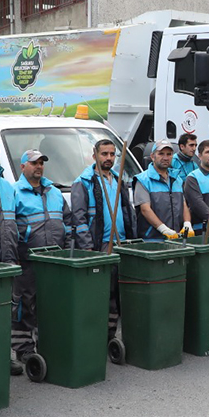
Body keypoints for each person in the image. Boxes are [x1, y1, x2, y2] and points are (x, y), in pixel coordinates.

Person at [11, 149, 72, 367]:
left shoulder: (54, 192)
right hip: (27, 260)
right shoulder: (14, 192)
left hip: (54, 261)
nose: (38, 166)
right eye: (34, 162)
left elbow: (68, 220)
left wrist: (68, 247)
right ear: (23, 167)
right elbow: (9, 227)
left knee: (49, 305)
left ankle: (47, 345)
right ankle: (24, 350)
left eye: (41, 163)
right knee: (25, 305)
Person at [71, 139, 135, 342]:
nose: (108, 158)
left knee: (119, 293)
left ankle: (111, 336)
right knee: (103, 294)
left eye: (112, 154)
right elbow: (78, 219)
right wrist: (88, 247)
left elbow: (127, 212)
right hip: (100, 246)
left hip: (122, 245)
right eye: (104, 154)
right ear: (94, 155)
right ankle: (99, 336)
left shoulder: (118, 180)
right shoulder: (83, 182)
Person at [132, 140, 190, 240]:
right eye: (161, 154)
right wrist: (163, 229)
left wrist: (187, 223)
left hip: (176, 238)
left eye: (169, 154)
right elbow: (145, 209)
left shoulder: (177, 179)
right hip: (152, 240)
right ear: (152, 156)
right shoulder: (143, 180)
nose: (165, 158)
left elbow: (183, 204)